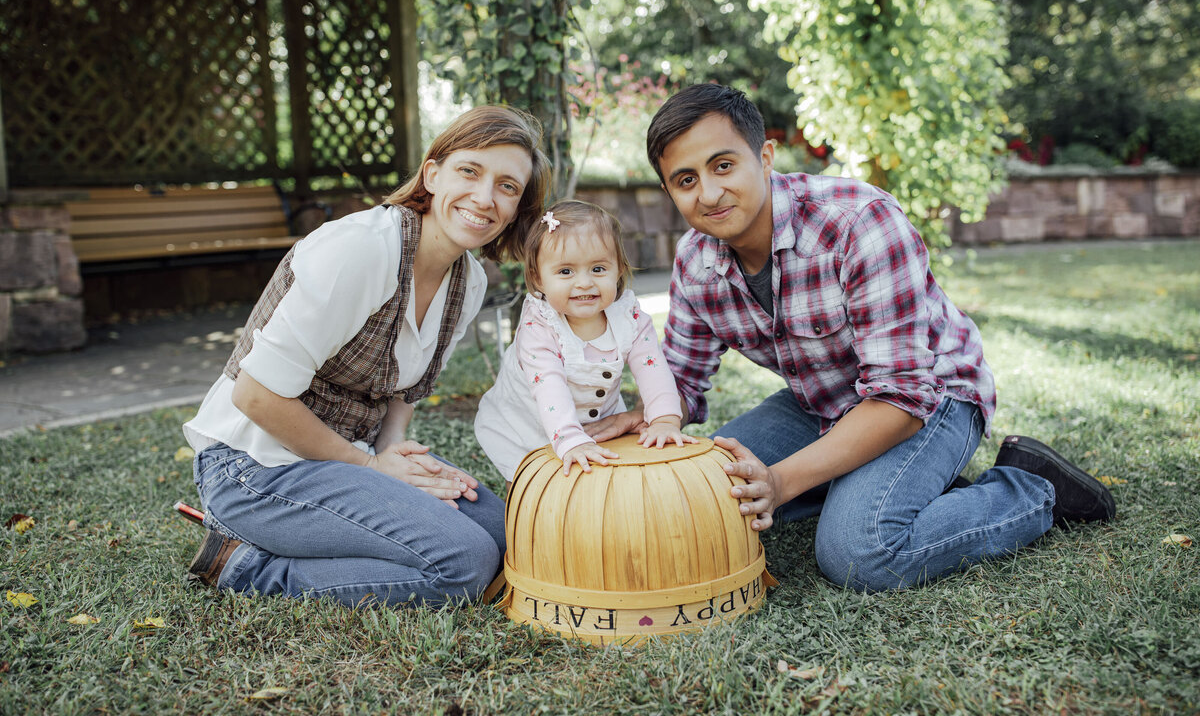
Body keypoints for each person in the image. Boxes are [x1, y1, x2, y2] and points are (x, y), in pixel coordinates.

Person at [592, 83, 1115, 592]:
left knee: (859, 552)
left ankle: (1032, 488)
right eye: (685, 180)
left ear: (765, 157)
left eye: (723, 165)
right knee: (709, 495)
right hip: (820, 404)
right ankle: (885, 486)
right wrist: (647, 414)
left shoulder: (858, 221)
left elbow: (902, 398)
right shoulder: (695, 261)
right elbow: (681, 378)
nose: (708, 192)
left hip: (934, 398)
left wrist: (782, 482)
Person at [180, 106, 551, 607]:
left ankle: (335, 543)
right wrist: (370, 466)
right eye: (470, 171)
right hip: (252, 466)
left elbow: (405, 390)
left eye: (508, 186)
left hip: (345, 462)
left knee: (506, 538)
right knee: (463, 565)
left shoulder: (469, 281)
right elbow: (255, 395)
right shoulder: (363, 249)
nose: (484, 198)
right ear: (432, 174)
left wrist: (391, 450)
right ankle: (247, 563)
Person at [474, 200, 695, 480]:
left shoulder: (629, 318)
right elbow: (549, 386)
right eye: (566, 272)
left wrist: (665, 419)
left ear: (619, 270)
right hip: (528, 420)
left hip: (599, 416)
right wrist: (570, 439)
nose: (584, 283)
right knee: (533, 483)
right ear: (538, 278)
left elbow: (654, 369)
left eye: (598, 269)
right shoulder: (539, 325)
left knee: (603, 477)